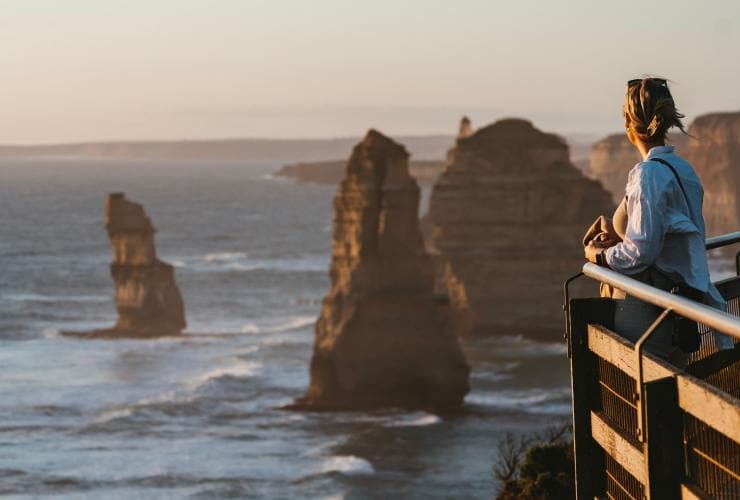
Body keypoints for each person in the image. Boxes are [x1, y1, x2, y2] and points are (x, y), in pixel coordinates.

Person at [583, 77, 732, 366]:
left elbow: (642, 252)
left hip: (647, 310)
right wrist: (620, 236)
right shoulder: (682, 168)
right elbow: (665, 234)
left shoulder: (648, 174)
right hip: (680, 306)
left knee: (639, 398)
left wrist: (599, 255)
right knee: (673, 396)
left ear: (627, 120)